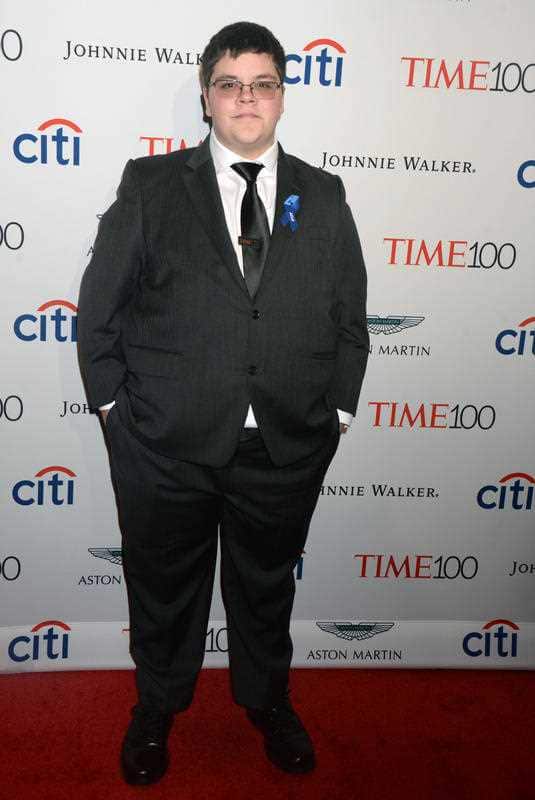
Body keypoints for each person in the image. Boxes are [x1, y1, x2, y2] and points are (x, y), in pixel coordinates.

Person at [77, 20, 368, 786]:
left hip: (282, 445)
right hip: (163, 445)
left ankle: (267, 699)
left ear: (282, 96)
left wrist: (335, 414)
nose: (246, 97)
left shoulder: (321, 193)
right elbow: (99, 309)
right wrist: (112, 412)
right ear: (207, 97)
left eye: (262, 83)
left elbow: (349, 316)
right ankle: (156, 707)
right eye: (229, 83)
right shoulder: (150, 186)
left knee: (265, 587)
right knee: (162, 588)